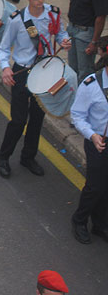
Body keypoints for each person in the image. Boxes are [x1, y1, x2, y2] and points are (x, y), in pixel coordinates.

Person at [0, 0, 71, 178]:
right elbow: (3, 48)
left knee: (37, 118)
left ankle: (28, 157)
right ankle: (3, 156)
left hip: (44, 72)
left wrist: (64, 41)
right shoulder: (17, 19)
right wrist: (5, 68)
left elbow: (62, 33)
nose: (40, 1)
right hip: (22, 71)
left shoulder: (53, 14)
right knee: (19, 120)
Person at [70, 35, 108, 244]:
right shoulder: (91, 84)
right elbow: (77, 116)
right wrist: (92, 135)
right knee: (95, 186)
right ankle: (79, 219)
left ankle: (100, 224)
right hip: (98, 142)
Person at [67, 0, 108, 83]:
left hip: (85, 33)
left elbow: (100, 17)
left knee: (85, 72)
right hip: (72, 27)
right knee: (73, 69)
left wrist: (94, 42)